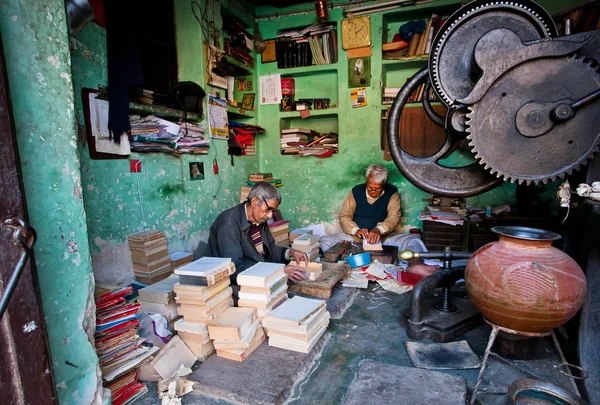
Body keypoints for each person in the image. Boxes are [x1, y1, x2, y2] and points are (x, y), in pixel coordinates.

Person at [320, 164, 437, 276]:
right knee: (325, 241)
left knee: (413, 241)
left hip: (384, 239)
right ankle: (353, 261)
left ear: (384, 184)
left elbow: (393, 217)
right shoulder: (356, 191)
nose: (373, 192)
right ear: (366, 181)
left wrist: (378, 230)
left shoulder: (392, 192)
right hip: (356, 240)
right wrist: (356, 230)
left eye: (378, 189)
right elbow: (344, 215)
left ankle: (414, 264)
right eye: (370, 188)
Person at [207, 182, 309, 283]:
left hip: (261, 275)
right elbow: (235, 269)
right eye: (268, 209)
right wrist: (278, 272)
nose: (270, 216)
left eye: (273, 211)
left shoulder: (259, 220)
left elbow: (270, 250)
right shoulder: (229, 224)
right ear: (254, 201)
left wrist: (290, 253)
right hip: (238, 286)